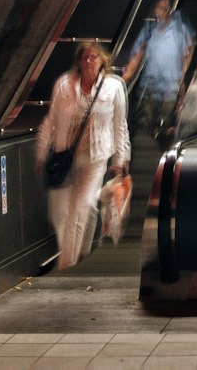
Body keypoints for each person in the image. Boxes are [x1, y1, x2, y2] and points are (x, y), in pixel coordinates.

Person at [36, 41, 130, 270]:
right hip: (66, 156)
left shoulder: (112, 88)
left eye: (94, 57)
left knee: (80, 207)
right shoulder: (64, 85)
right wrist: (41, 152)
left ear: (102, 62)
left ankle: (67, 264)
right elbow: (51, 121)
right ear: (79, 61)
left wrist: (120, 159)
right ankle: (82, 252)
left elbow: (120, 126)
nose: (89, 62)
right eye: (85, 57)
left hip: (95, 158)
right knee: (62, 212)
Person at [122, 0, 195, 140]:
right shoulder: (149, 29)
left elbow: (190, 48)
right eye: (158, 8)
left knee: (164, 127)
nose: (160, 11)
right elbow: (136, 56)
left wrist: (182, 76)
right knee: (143, 126)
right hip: (149, 87)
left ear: (169, 8)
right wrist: (123, 79)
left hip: (170, 88)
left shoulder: (178, 28)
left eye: (164, 8)